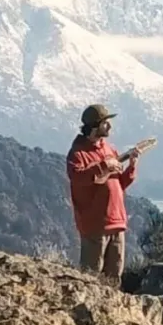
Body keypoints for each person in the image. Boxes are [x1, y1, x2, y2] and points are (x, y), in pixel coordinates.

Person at [66, 104, 139, 286]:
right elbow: (77, 177)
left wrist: (131, 166)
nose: (110, 127)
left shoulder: (109, 149)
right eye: (106, 123)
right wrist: (104, 166)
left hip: (117, 222)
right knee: (90, 279)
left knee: (114, 278)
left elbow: (119, 184)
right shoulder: (78, 153)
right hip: (95, 225)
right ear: (95, 125)